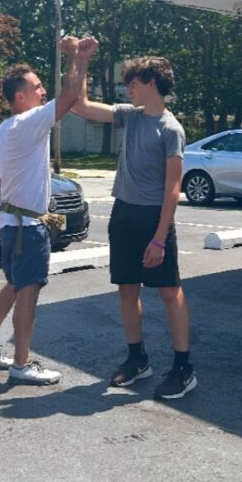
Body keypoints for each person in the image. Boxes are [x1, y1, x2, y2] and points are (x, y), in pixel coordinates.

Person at [0, 36, 97, 385]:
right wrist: (75, 57)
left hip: (11, 223)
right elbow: (70, 97)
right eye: (37, 87)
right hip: (27, 228)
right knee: (28, 292)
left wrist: (81, 61)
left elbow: (1, 181)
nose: (43, 92)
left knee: (14, 284)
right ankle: (21, 364)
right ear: (20, 97)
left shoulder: (2, 131)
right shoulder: (28, 123)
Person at [73, 54, 196, 400]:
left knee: (169, 291)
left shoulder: (171, 129)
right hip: (124, 212)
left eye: (133, 83)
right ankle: (137, 359)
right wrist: (80, 60)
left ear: (152, 83)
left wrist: (159, 239)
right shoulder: (130, 115)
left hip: (154, 217)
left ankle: (184, 369)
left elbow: (173, 188)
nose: (128, 89)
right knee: (127, 288)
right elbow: (81, 106)